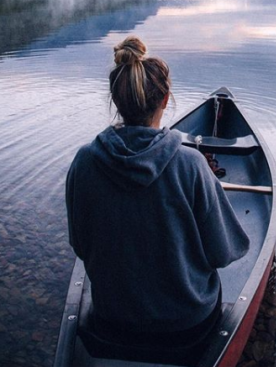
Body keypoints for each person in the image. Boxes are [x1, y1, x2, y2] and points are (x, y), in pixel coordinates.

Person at [66, 36, 249, 364]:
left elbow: (81, 245)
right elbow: (226, 253)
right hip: (185, 326)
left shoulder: (84, 162)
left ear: (116, 99)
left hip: (111, 320)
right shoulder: (190, 164)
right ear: (165, 99)